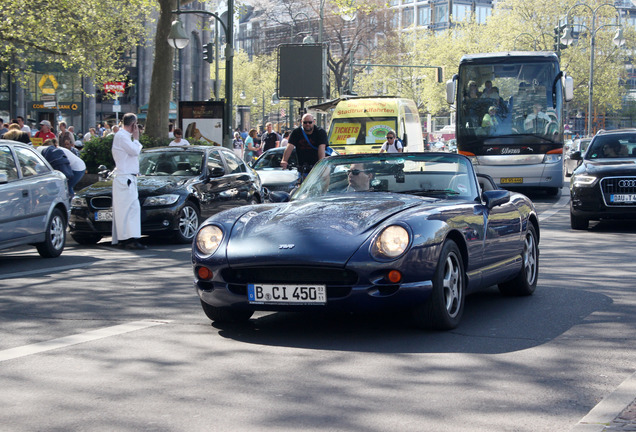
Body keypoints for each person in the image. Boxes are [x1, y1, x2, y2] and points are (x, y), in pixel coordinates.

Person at [111, 113, 146, 250]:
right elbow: (134, 151)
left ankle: (127, 237)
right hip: (125, 177)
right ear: (133, 124)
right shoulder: (122, 136)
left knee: (128, 208)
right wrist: (137, 139)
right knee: (131, 208)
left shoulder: (122, 136)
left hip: (127, 177)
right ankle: (129, 238)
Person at [281, 113, 327, 178]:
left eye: (310, 122)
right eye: (305, 122)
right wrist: (284, 160)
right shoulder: (296, 133)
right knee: (300, 185)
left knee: (325, 177)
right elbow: (289, 147)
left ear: (314, 122)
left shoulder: (320, 132)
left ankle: (325, 188)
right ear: (301, 122)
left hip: (316, 166)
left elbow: (321, 148)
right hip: (302, 167)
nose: (307, 124)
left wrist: (321, 164)